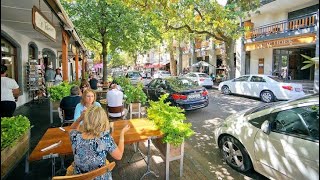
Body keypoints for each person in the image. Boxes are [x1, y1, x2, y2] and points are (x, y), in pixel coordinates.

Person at [69, 106, 130, 179]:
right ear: (103, 120)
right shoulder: (105, 139)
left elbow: (72, 129)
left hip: (80, 177)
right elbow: (119, 156)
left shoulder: (75, 136)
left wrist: (80, 119)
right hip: (100, 177)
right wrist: (122, 133)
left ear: (86, 119)